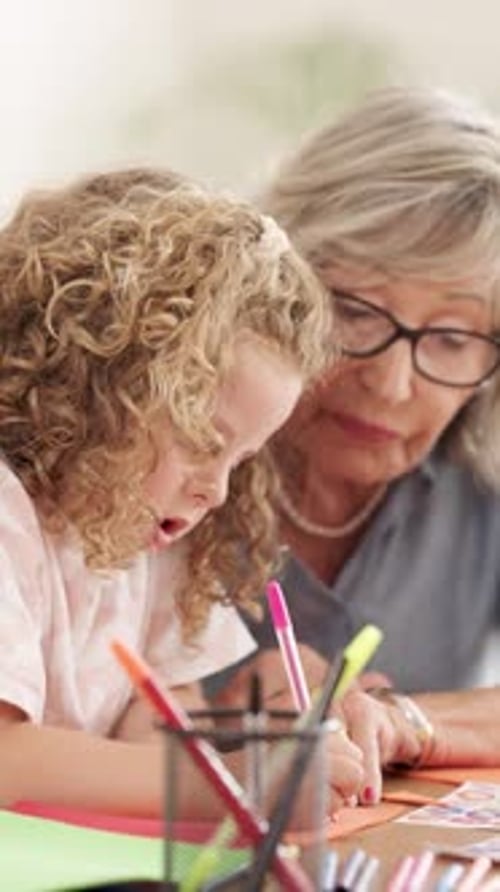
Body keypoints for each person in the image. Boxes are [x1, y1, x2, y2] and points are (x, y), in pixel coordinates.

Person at [0, 166, 364, 818]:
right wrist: (222, 786)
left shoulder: (144, 534)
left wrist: (253, 759)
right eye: (203, 440)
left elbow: (155, 708)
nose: (218, 491)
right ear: (98, 386)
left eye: (243, 457)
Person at [203, 86, 500, 799]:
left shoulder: (480, 477)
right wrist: (201, 720)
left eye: (454, 338)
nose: (392, 384)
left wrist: (400, 722)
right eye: (356, 313)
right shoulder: (158, 449)